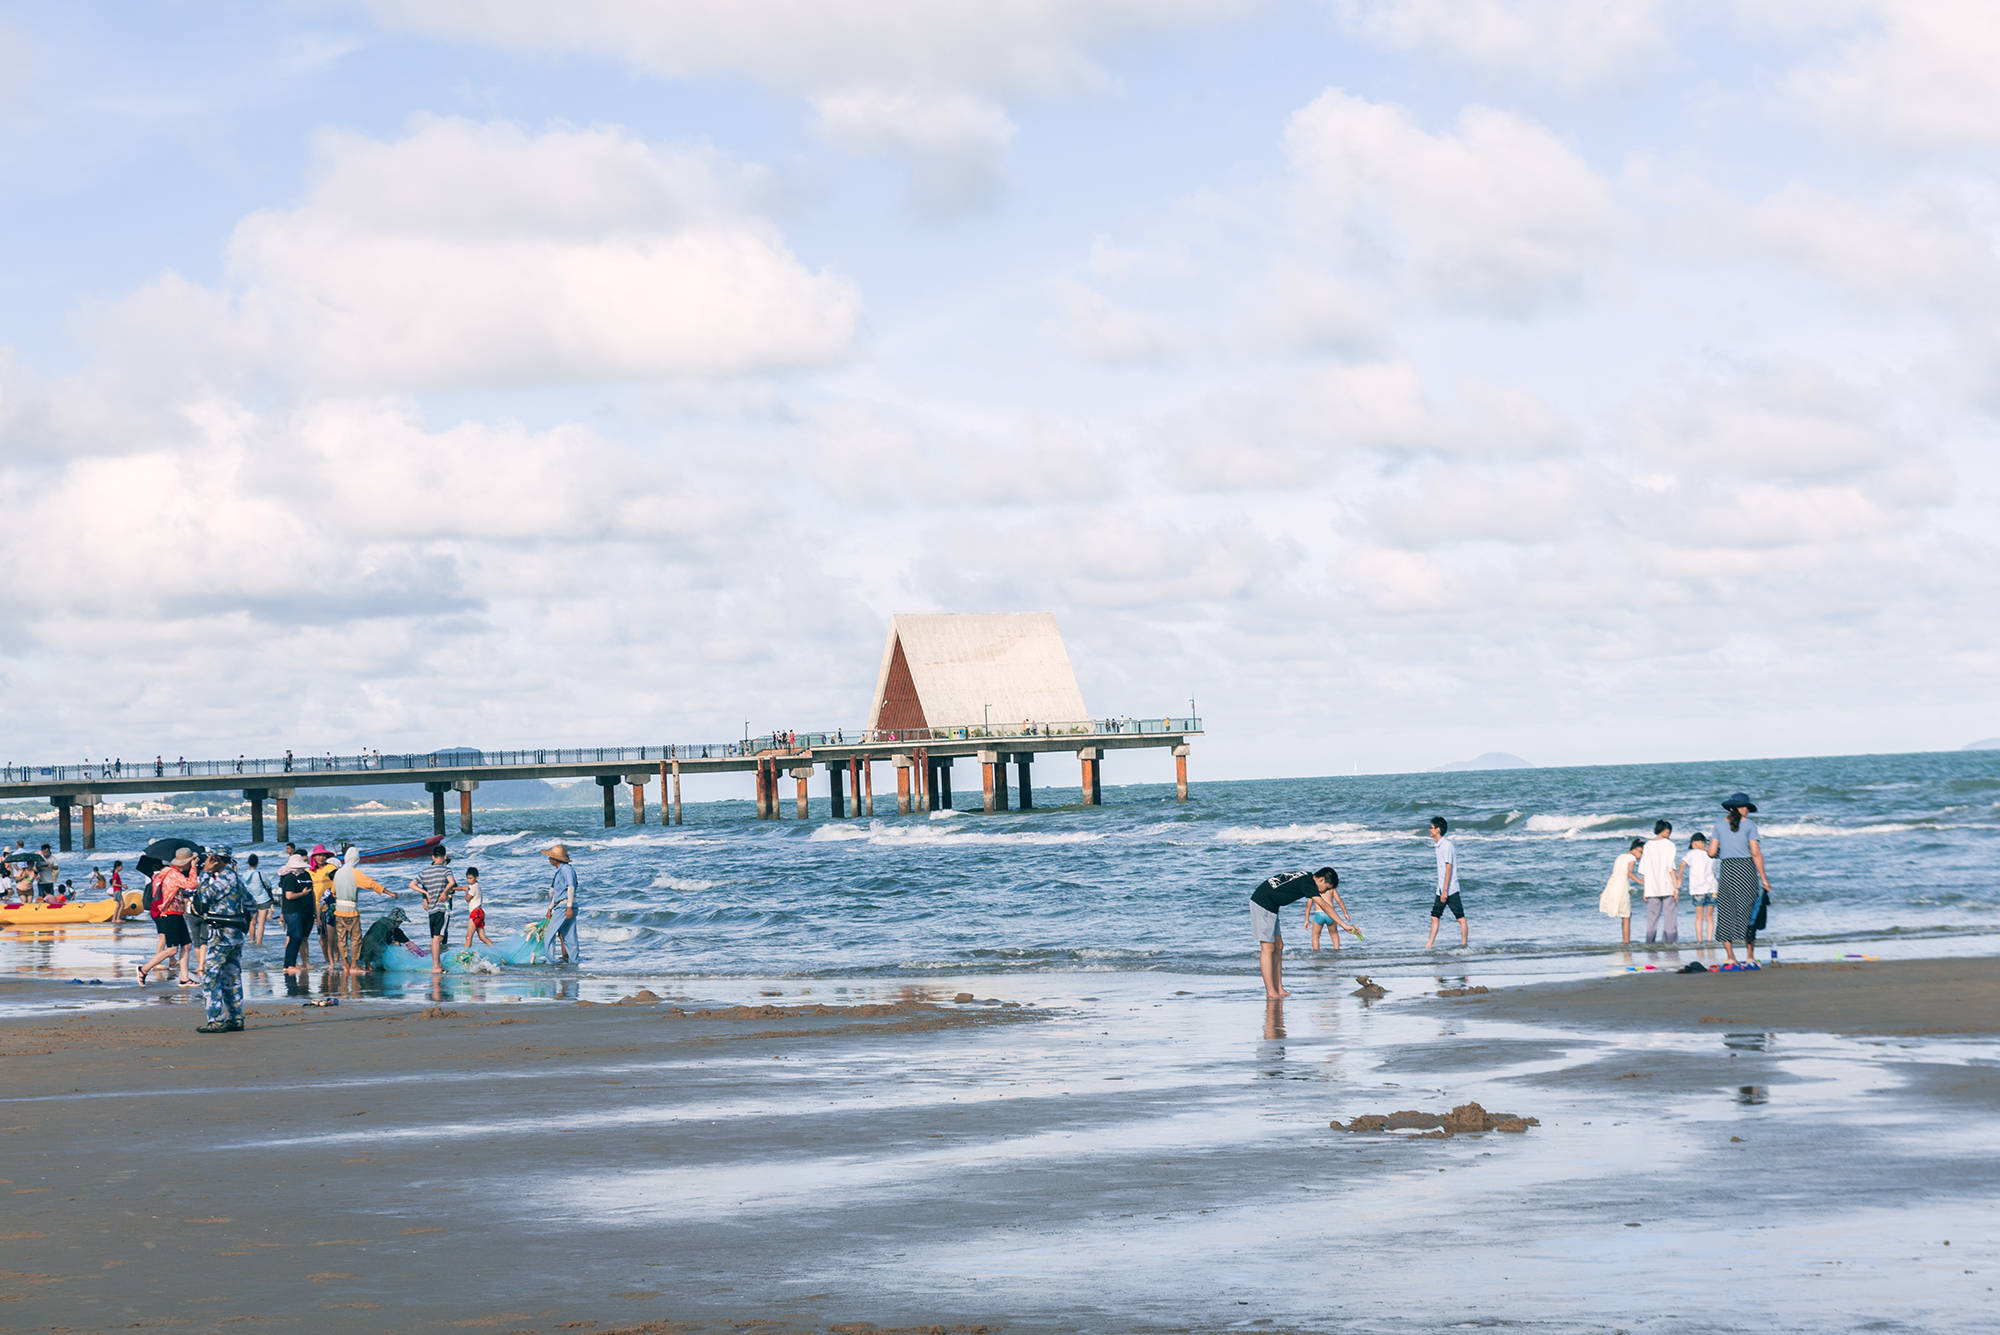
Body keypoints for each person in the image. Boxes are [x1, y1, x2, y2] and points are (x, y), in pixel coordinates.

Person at [1249, 868, 1346, 998]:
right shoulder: (1309, 884)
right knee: (1268, 948)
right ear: (1321, 879)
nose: (1325, 891)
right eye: (1326, 888)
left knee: (1279, 946)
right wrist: (1344, 924)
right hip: (1262, 903)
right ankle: (1271, 992)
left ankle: (1279, 988)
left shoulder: (1307, 877)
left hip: (1272, 905)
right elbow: (1324, 905)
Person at [191, 846, 257, 1033]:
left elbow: (203, 897)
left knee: (210, 976)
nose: (208, 862)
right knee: (231, 976)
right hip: (234, 934)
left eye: (211, 859)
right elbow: (251, 903)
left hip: (222, 934)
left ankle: (216, 1019)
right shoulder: (236, 878)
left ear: (218, 860)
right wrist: (242, 924)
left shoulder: (224, 878)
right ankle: (236, 1018)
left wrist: (204, 873)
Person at [1709, 792, 1773, 968]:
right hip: (1746, 870)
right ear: (1738, 808)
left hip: (1728, 870)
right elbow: (1755, 852)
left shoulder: (1719, 825)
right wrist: (1764, 879)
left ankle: (1731, 958)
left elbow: (1711, 852)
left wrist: (1727, 853)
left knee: (1726, 913)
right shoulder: (1750, 825)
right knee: (1748, 914)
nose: (1747, 811)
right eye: (1745, 808)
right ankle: (1750, 957)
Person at [137, 849, 200, 985]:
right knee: (172, 949)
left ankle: (184, 978)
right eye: (191, 862)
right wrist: (194, 867)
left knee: (187, 945)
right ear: (186, 862)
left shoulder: (168, 873)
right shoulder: (173, 874)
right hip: (170, 913)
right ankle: (144, 969)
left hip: (175, 912)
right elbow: (192, 884)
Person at [332, 846, 395, 973]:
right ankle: (354, 965)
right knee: (355, 939)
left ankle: (345, 965)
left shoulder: (338, 872)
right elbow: (371, 883)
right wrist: (389, 892)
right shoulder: (354, 873)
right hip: (351, 912)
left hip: (338, 911)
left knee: (341, 938)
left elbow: (333, 892)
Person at [409, 846, 458, 974]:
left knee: (435, 937)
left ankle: (437, 964)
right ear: (444, 856)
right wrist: (445, 892)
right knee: (438, 938)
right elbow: (452, 882)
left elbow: (411, 884)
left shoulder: (425, 872)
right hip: (443, 908)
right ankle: (436, 966)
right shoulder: (446, 870)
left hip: (432, 910)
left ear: (433, 857)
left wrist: (424, 892)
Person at [1423, 817, 1468, 947]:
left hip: (1450, 889)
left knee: (1460, 919)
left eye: (1431, 827)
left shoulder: (1446, 846)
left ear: (1438, 829)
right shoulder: (1438, 846)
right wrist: (1441, 890)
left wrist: (1446, 891)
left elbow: (1449, 868)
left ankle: (1464, 945)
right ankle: (1429, 945)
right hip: (1441, 889)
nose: (1429, 830)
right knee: (1434, 917)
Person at [1639, 820, 1683, 944]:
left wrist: (1645, 890)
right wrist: (1676, 887)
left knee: (1651, 919)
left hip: (1652, 888)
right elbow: (1671, 867)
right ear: (1666, 831)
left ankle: (1649, 944)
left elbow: (1644, 869)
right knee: (1670, 918)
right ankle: (1670, 944)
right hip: (1667, 886)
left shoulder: (1647, 845)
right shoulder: (1669, 845)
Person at [278, 850, 317, 972]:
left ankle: (294, 963)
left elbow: (312, 893)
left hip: (306, 911)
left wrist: (315, 912)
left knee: (300, 937)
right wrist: (302, 893)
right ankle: (289, 965)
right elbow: (288, 896)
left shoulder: (306, 875)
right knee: (295, 937)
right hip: (292, 911)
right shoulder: (289, 878)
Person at [1599, 838, 1643, 943]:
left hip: (1613, 885)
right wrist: (1641, 882)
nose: (1641, 856)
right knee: (1626, 915)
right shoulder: (1632, 858)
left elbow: (1613, 875)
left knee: (1624, 915)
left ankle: (1625, 941)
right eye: (1641, 853)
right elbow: (1630, 873)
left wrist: (1605, 891)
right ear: (1636, 849)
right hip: (1622, 886)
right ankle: (1626, 942)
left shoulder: (1620, 856)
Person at [542, 844, 580, 964]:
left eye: (550, 857)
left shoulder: (566, 870)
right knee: (569, 936)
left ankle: (550, 961)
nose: (549, 860)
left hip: (565, 906)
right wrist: (550, 908)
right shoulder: (561, 870)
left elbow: (570, 888)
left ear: (555, 859)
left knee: (549, 934)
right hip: (564, 905)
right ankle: (574, 962)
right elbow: (558, 893)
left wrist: (568, 907)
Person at [1306, 871, 1359, 951]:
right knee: (1334, 934)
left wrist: (1307, 919)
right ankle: (1336, 950)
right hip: (1330, 914)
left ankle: (1316, 953)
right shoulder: (1331, 888)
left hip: (1318, 914)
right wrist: (1345, 913)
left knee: (1315, 936)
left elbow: (1308, 905)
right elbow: (1339, 901)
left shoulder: (1314, 888)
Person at [308, 845, 340, 967]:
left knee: (335, 935)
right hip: (317, 908)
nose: (321, 858)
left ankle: (337, 957)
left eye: (323, 855)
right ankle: (326, 959)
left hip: (332, 906)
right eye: (318, 855)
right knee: (323, 936)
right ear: (314, 857)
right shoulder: (309, 872)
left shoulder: (331, 868)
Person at [1683, 833, 1718, 942]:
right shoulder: (1710, 854)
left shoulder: (1692, 853)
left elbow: (1683, 864)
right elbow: (1714, 872)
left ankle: (1699, 940)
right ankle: (1709, 940)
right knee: (1710, 917)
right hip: (1712, 889)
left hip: (1698, 889)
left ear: (1694, 843)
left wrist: (1679, 878)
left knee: (1699, 917)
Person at [241, 853, 275, 946]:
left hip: (250, 900)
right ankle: (259, 943)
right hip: (262, 899)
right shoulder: (260, 873)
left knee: (252, 922)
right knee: (261, 923)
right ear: (257, 863)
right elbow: (268, 884)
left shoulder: (244, 875)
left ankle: (252, 940)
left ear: (248, 863)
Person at [463, 866, 494, 947]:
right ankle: (496, 951)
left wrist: (466, 891)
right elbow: (463, 888)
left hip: (475, 913)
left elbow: (467, 899)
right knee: (482, 937)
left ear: (476, 878)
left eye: (470, 878)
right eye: (467, 878)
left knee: (468, 937)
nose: (469, 880)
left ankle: (464, 956)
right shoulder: (477, 885)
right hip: (480, 913)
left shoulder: (473, 888)